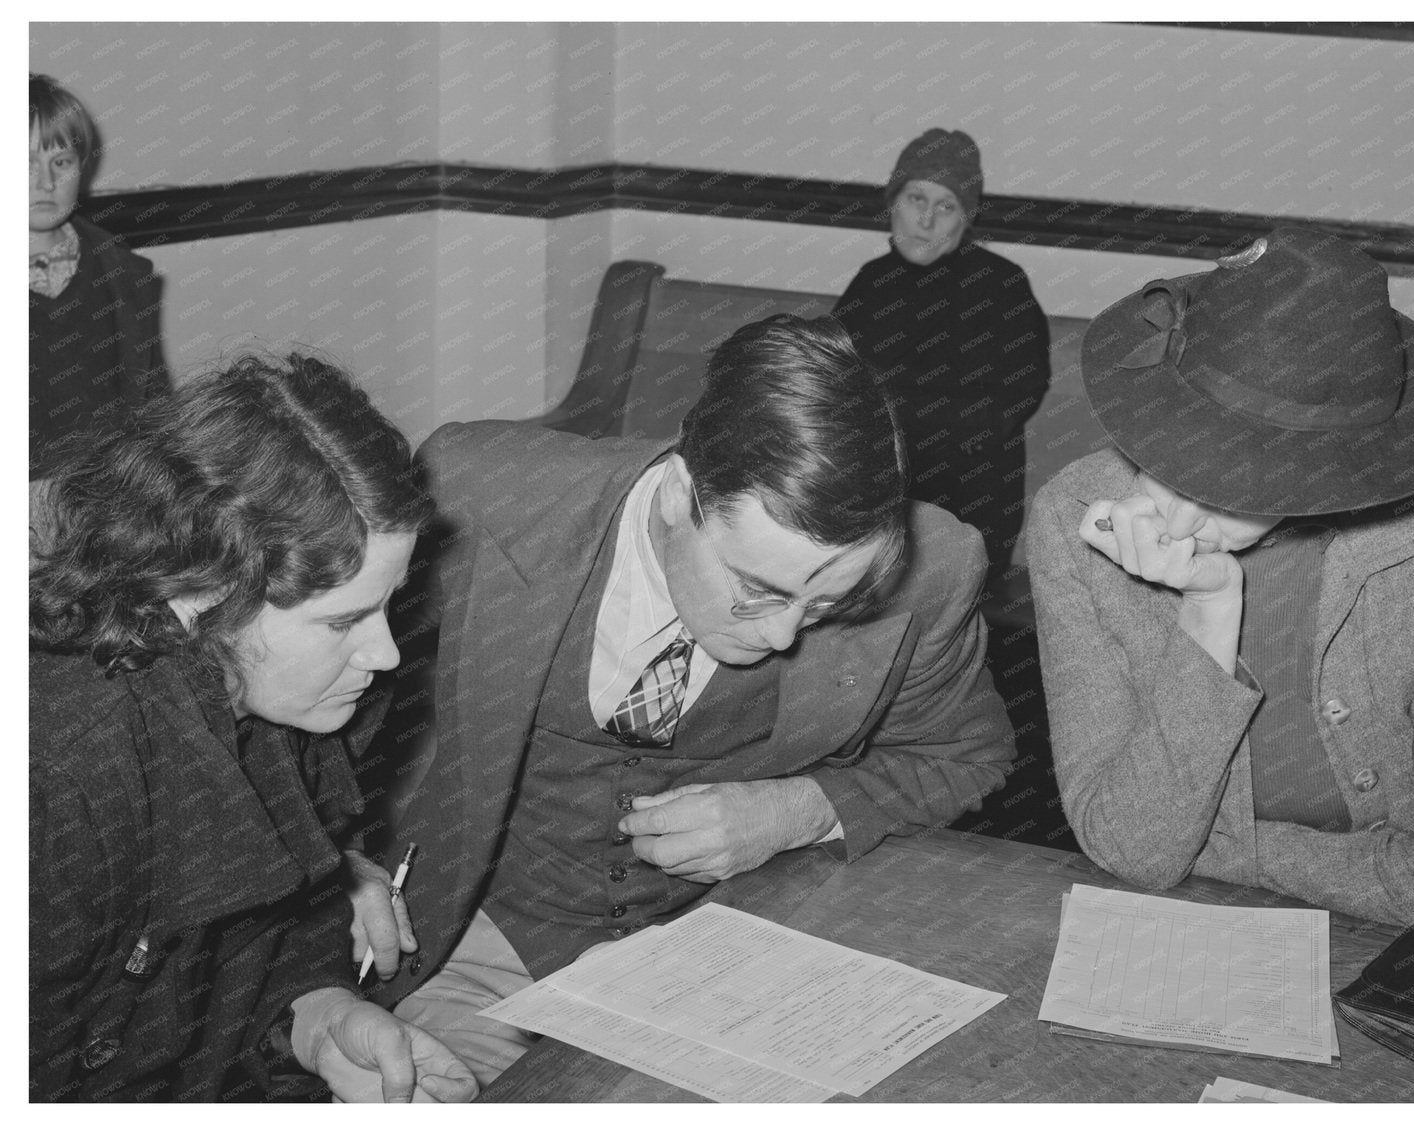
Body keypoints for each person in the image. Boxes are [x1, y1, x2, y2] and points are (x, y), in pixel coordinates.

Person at [362, 315, 1016, 1083]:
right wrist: (339, 862)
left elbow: (965, 756)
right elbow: (315, 705)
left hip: (735, 955)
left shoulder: (932, 567)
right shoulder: (480, 495)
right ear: (679, 494)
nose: (782, 634)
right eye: (756, 588)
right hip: (478, 940)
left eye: (825, 603)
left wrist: (800, 809)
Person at [30, 352, 478, 1103]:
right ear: (198, 594)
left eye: (386, 604)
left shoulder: (282, 702)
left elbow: (251, 945)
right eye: (342, 621)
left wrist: (318, 1020)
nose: (385, 653)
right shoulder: (57, 777)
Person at [1029, 227, 1414, 927]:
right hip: (1182, 922)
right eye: (1165, 456)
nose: (1176, 519)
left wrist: (1234, 852)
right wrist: (1209, 609)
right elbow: (1131, 846)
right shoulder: (1075, 518)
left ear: (1331, 464)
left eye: (1233, 485)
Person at [834, 127, 1050, 586]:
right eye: (916, 198)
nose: (926, 220)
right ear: (893, 203)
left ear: (966, 219)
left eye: (946, 206)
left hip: (966, 508)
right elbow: (834, 388)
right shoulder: (870, 284)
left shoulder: (1002, 286)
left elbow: (1008, 403)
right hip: (872, 501)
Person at [30, 73, 169, 545]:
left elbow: (154, 399)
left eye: (61, 161)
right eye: (23, 162)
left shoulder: (120, 271)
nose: (45, 181)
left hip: (108, 506)